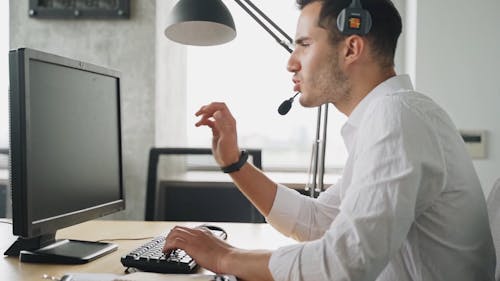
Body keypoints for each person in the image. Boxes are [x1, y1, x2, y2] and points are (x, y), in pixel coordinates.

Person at [163, 0, 496, 280]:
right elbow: (318, 222)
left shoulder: (399, 118)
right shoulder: (389, 116)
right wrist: (234, 163)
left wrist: (223, 258)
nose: (291, 62)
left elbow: (344, 262)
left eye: (304, 45)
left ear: (351, 48)